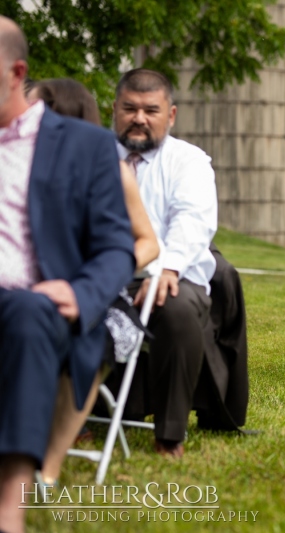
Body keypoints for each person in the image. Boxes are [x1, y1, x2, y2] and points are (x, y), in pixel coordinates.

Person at [0, 17, 135, 533]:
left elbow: (116, 247)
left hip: (35, 300)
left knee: (29, 312)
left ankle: (9, 503)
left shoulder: (84, 146)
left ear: (16, 73)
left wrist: (82, 293)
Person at [24, 78, 159, 486]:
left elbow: (148, 242)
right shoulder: (15, 161)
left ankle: (47, 466)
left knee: (88, 338)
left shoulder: (112, 171)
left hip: (97, 292)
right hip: (28, 287)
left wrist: (106, 266)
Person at [110, 68, 251, 458]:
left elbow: (192, 220)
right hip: (105, 272)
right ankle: (86, 418)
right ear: (115, 110)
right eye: (130, 108)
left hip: (176, 271)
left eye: (151, 110)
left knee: (173, 311)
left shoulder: (189, 160)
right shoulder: (94, 155)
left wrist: (166, 269)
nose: (139, 118)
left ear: (170, 115)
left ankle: (169, 434)